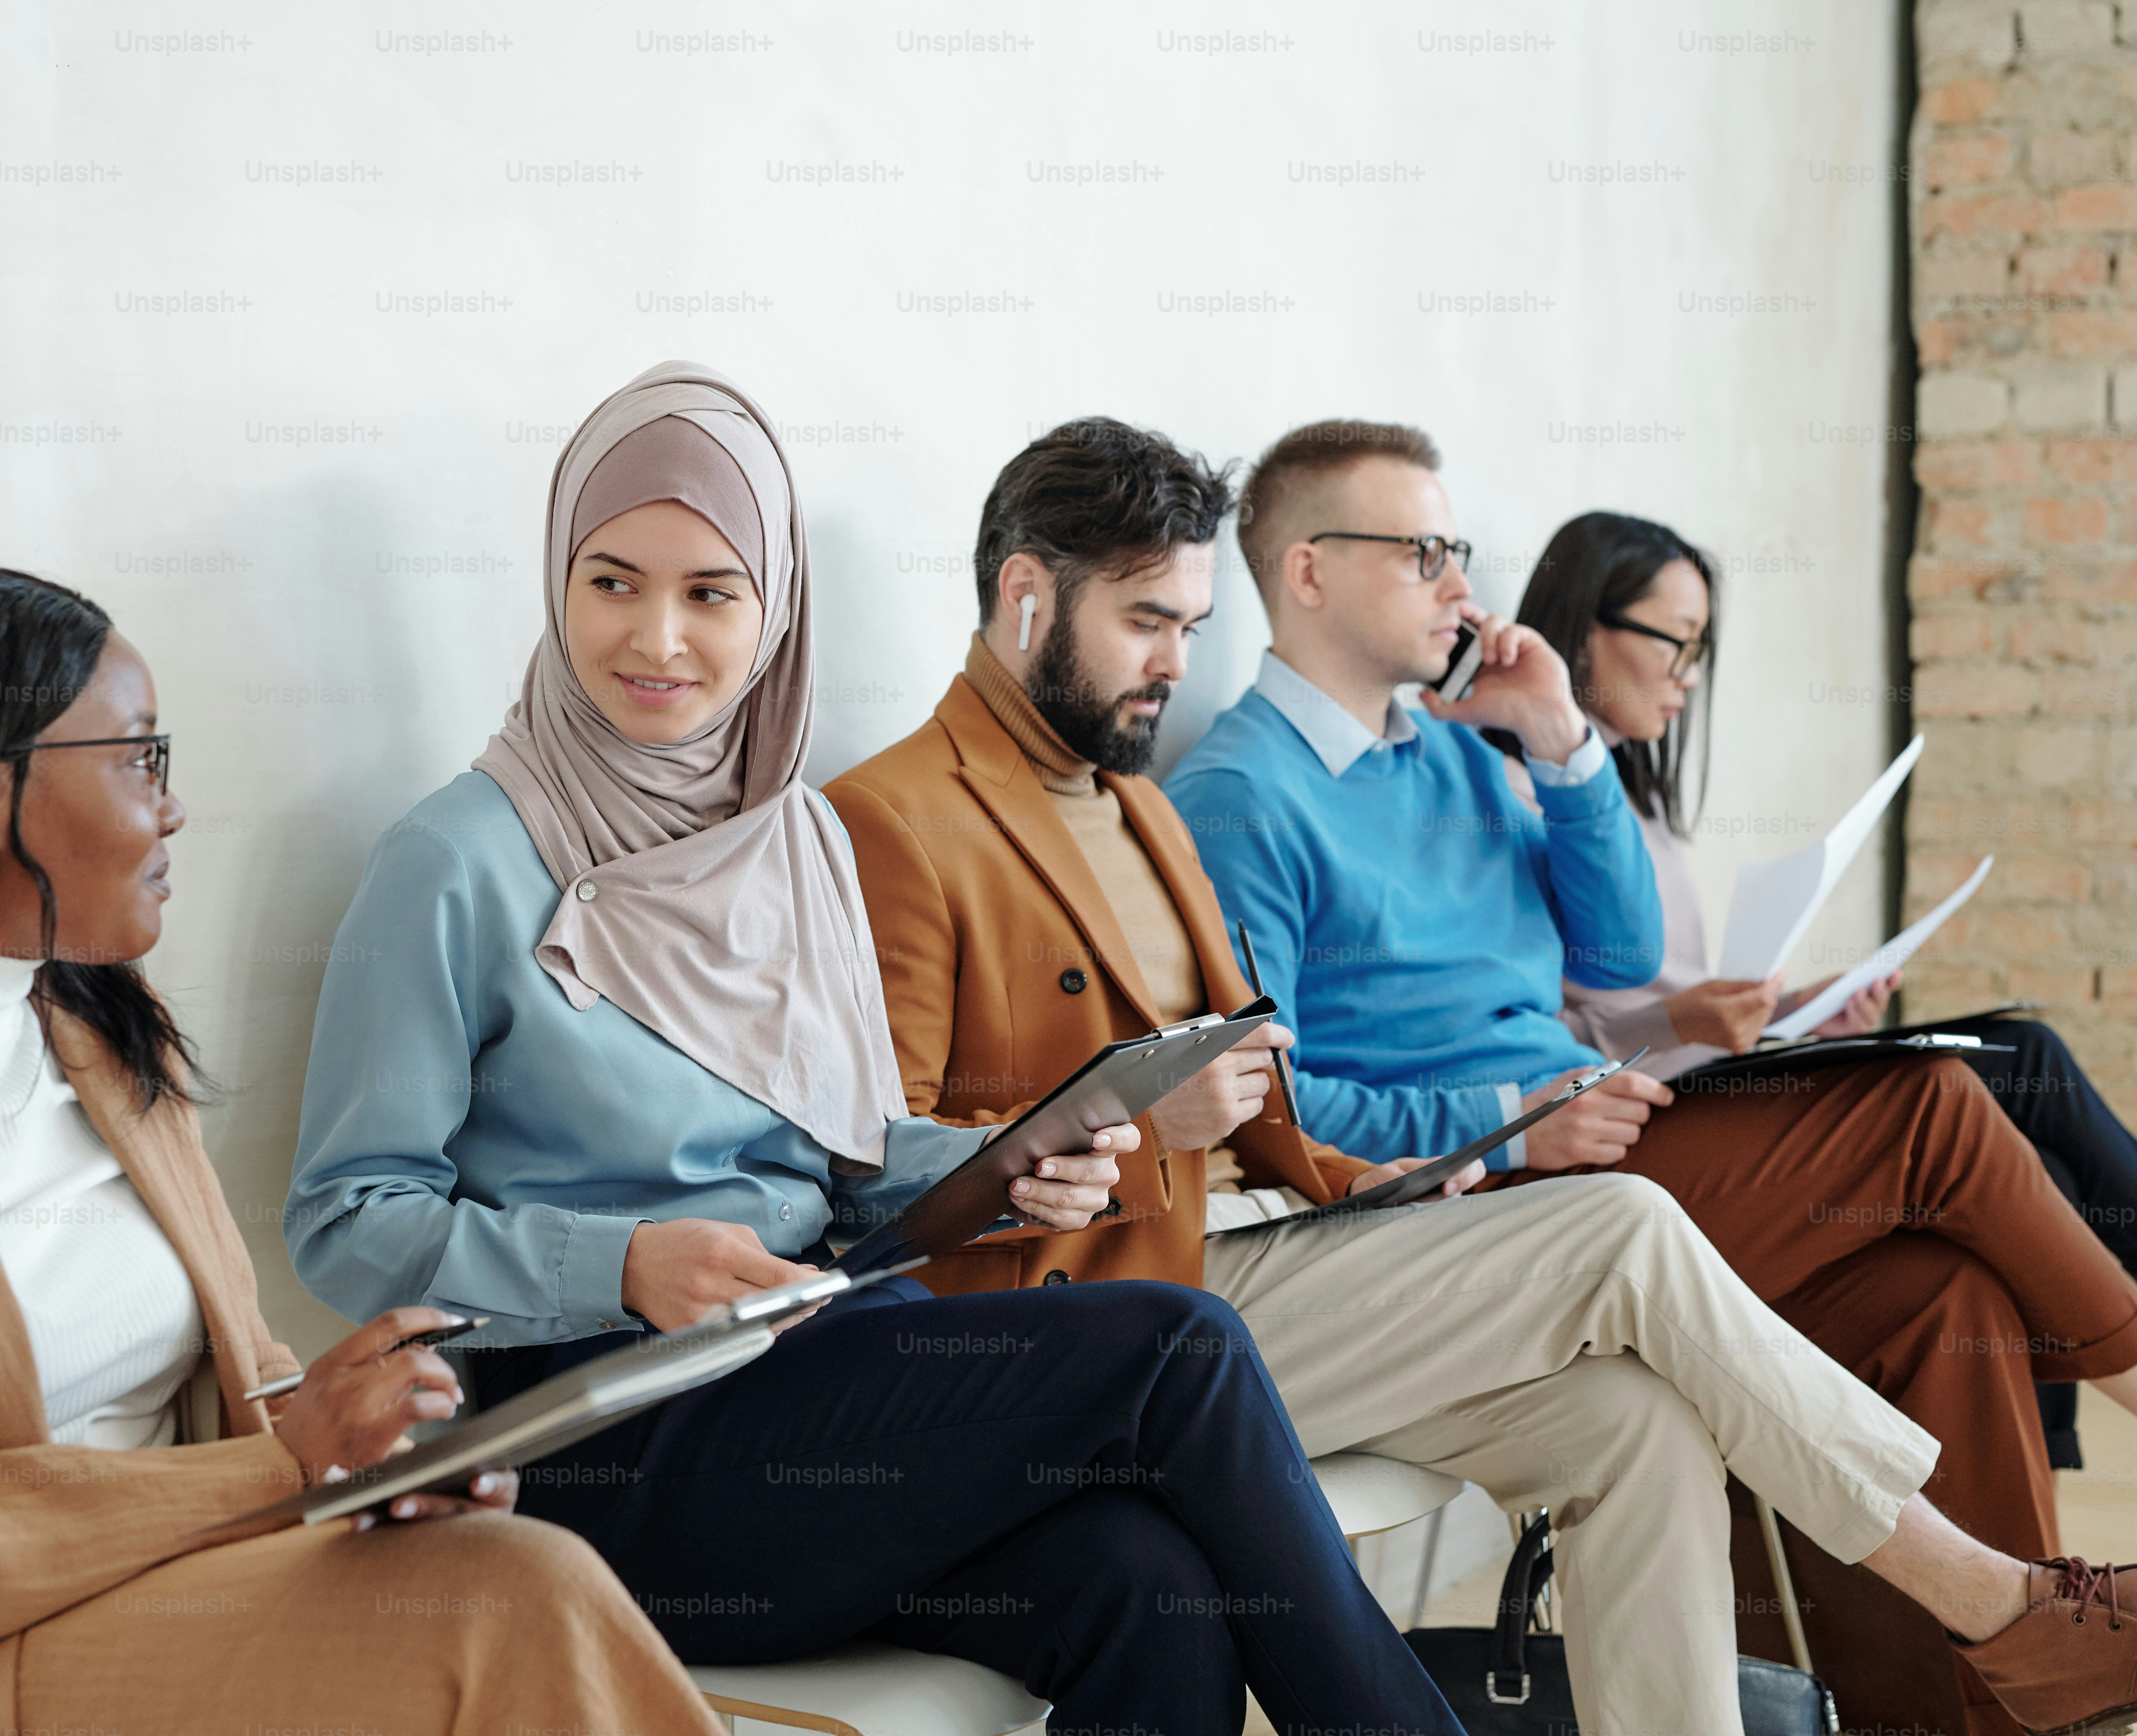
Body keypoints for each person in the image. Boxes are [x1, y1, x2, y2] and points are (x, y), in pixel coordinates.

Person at [827, 415, 2137, 1736]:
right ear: (1025, 595)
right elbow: (893, 1184)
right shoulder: (905, 817)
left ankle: (1979, 1662)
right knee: (1667, 1209)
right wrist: (1161, 1123)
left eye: (1189, 621)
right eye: (1149, 622)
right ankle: (1998, 1602)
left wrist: (1397, 1179)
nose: (1177, 662)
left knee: (1639, 1422)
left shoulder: (1143, 803)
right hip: (1118, 1307)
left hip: (1286, 1231)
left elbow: (1283, 1097)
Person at [282, 361, 1474, 1736]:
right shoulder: (456, 860)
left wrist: (997, 1167)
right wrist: (621, 1259)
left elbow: (837, 1154)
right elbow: (346, 1220)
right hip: (598, 1437)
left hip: (815, 1365)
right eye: (612, 581)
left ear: (773, 608)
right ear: (557, 581)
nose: (656, 637)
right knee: (1180, 1350)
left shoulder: (787, 841)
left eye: (711, 593)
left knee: (1148, 1587)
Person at [0, 558, 719, 1734]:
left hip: (153, 1601)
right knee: (509, 1602)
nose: (172, 806)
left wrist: (369, 1466)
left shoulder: (96, 1029)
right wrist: (277, 1470)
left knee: (488, 1565)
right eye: (140, 758)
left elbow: (249, 1393)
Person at [1520, 507, 2137, 1474]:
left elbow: (1670, 999)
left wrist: (1799, 1009)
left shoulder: (1636, 800)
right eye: (1675, 643)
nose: (1689, 675)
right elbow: (1550, 1025)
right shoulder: (1522, 798)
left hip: (1715, 1077)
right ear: (1582, 629)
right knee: (2026, 1062)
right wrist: (1688, 1018)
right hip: (1643, 1113)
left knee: (2033, 1143)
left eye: (1702, 649)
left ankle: (2040, 1476)